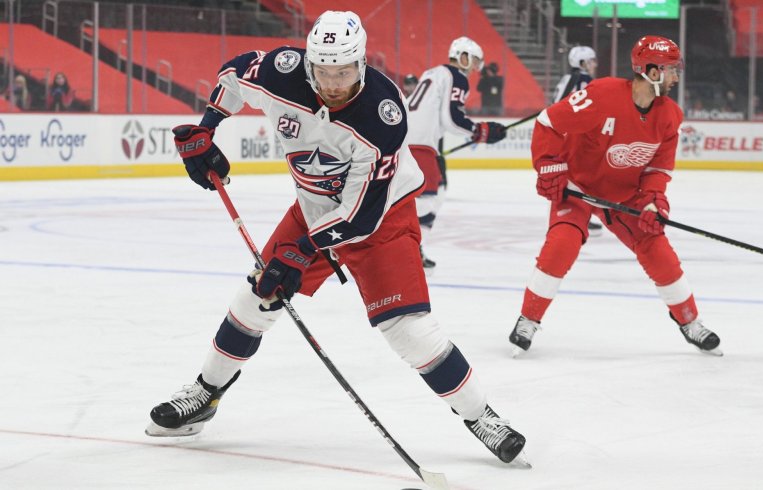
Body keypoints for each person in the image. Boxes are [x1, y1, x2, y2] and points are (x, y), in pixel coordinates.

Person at [147, 11, 527, 465]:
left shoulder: (382, 115)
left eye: (343, 71)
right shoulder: (283, 73)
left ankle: (480, 415)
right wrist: (207, 128)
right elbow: (234, 74)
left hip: (382, 216)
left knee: (410, 332)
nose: (332, 82)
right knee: (256, 298)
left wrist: (302, 251)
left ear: (361, 63)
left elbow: (361, 214)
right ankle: (205, 394)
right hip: (313, 209)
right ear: (309, 63)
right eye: (323, 71)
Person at [508, 35, 722, 358]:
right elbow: (548, 122)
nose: (677, 77)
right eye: (671, 70)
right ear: (651, 71)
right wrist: (550, 166)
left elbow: (658, 170)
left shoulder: (669, 116)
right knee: (562, 243)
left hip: (625, 194)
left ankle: (690, 321)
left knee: (657, 248)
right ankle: (528, 319)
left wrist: (654, 201)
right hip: (578, 185)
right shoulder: (602, 95)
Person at [406, 37, 507, 272]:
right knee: (429, 199)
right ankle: (408, 247)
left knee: (428, 195)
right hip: (419, 145)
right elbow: (451, 118)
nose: (474, 69)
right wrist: (479, 131)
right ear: (463, 56)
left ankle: (409, 245)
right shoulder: (456, 76)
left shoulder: (433, 72)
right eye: (474, 62)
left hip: (408, 141)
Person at [553, 46, 604, 235]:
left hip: (566, 136)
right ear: (582, 63)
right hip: (578, 138)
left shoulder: (567, 79)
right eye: (591, 61)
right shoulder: (587, 82)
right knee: (584, 178)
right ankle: (578, 215)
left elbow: (556, 106)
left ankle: (574, 214)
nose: (594, 64)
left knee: (574, 179)